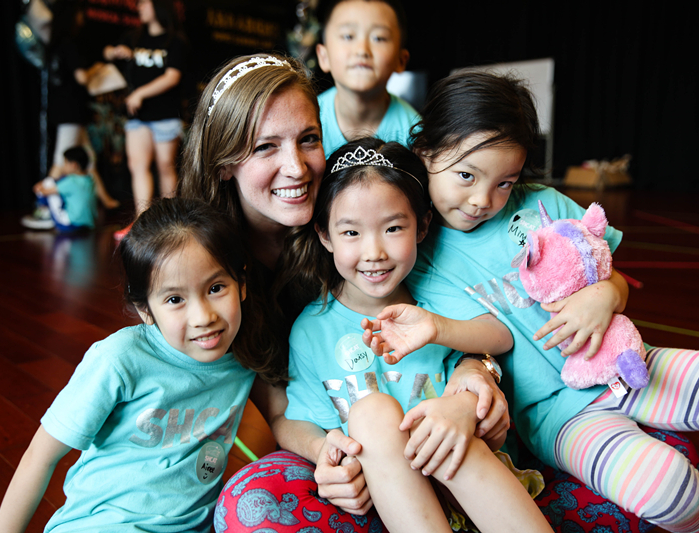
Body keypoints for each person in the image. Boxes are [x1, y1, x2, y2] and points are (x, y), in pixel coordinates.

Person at [366, 70, 699, 533]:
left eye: (504, 182)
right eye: (466, 176)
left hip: (626, 363)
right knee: (670, 492)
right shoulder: (422, 256)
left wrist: (606, 294)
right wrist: (437, 327)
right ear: (425, 153)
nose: (482, 199)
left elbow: (611, 277)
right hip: (558, 416)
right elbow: (495, 336)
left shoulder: (543, 204)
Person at [180, 54, 509, 532]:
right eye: (265, 146)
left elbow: (470, 316)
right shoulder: (203, 269)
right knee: (248, 503)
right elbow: (282, 410)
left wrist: (477, 374)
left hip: (439, 431)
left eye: (308, 139)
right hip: (335, 441)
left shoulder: (364, 206)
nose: (296, 167)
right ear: (224, 161)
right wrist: (324, 453)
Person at [284, 137, 550, 533]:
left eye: (393, 228)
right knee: (371, 412)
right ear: (325, 235)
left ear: (422, 225)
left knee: (437, 420)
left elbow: (490, 348)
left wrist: (473, 381)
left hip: (475, 482)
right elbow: (299, 417)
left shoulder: (443, 301)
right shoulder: (312, 331)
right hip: (398, 503)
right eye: (351, 233)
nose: (374, 252)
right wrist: (323, 448)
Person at [0, 198, 264, 532]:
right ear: (145, 310)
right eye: (175, 299)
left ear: (242, 285)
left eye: (216, 288)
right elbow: (40, 456)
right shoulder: (119, 359)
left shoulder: (246, 356)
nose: (203, 317)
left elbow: (284, 414)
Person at [104, 0, 186, 239]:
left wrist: (140, 93)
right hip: (138, 116)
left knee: (165, 166)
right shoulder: (134, 37)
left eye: (143, 3)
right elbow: (106, 52)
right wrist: (117, 51)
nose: (139, 7)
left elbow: (172, 77)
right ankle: (141, 223)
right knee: (137, 166)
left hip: (165, 114)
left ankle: (171, 225)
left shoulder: (176, 40)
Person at [315, 0, 420, 156]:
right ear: (323, 56)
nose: (362, 50)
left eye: (379, 38)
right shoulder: (306, 120)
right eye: (348, 36)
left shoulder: (416, 137)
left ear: (401, 60)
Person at [46, 1, 119, 210]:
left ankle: (106, 200)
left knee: (89, 159)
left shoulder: (55, 45)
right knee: (61, 161)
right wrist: (97, 69)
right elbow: (82, 78)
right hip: (71, 111)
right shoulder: (69, 43)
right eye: (79, 13)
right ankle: (42, 206)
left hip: (65, 110)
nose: (82, 18)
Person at [21, 146, 97, 232]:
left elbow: (43, 191)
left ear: (74, 165)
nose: (63, 166)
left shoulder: (71, 181)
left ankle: (44, 213)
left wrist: (39, 186)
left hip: (70, 225)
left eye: (65, 163)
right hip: (88, 224)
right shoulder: (89, 179)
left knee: (48, 182)